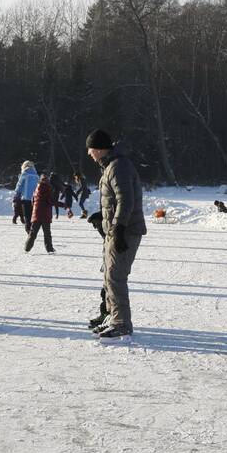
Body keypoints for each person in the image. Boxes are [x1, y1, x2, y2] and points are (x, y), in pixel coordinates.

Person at [88, 129, 146, 342]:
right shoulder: (112, 166)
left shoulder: (117, 167)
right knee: (108, 276)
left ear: (101, 149)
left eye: (91, 149)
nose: (89, 153)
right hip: (116, 229)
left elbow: (126, 200)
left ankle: (121, 324)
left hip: (125, 231)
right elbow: (114, 201)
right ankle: (113, 318)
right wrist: (103, 217)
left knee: (115, 276)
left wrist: (119, 228)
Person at [25, 172, 63, 253]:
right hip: (45, 214)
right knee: (47, 233)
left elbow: (33, 201)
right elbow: (51, 201)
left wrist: (36, 209)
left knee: (33, 232)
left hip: (37, 214)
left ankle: (27, 248)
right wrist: (64, 205)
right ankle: (49, 249)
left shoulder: (36, 189)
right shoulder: (48, 188)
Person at [13, 161, 39, 235]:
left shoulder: (25, 174)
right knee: (33, 215)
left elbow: (19, 185)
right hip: (34, 198)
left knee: (27, 215)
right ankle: (33, 229)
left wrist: (16, 194)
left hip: (26, 198)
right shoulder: (36, 175)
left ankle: (29, 230)